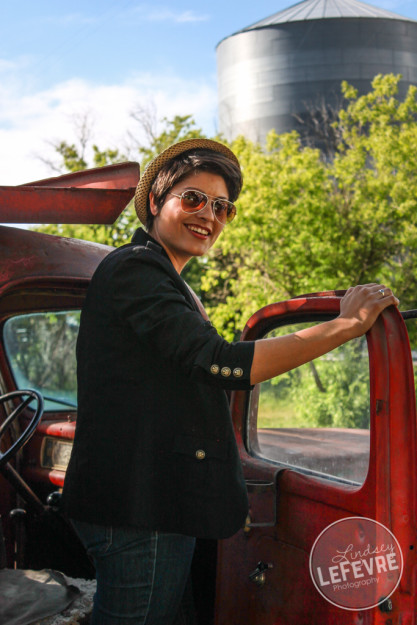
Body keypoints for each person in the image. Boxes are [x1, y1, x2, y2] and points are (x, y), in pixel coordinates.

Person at [62, 138, 398, 625]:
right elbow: (221, 363)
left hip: (153, 504)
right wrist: (345, 326)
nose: (210, 215)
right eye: (193, 198)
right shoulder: (135, 269)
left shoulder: (161, 279)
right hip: (139, 510)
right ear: (156, 202)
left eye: (223, 207)